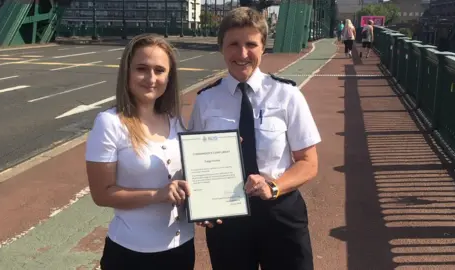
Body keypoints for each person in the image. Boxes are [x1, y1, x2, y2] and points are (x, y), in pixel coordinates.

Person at [189, 7, 321, 270]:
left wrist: (274, 187)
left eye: (251, 44)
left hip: (280, 211)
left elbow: (308, 162)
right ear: (222, 48)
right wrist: (201, 204)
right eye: (233, 45)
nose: (242, 54)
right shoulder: (205, 100)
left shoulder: (286, 95)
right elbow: (195, 163)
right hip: (226, 216)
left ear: (263, 47)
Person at [85, 33, 195, 269]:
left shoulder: (175, 121)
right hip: (131, 253)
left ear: (169, 77)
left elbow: (188, 177)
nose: (151, 78)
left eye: (159, 70)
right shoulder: (110, 123)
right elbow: (101, 194)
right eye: (142, 69)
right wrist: (158, 194)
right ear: (127, 72)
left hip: (182, 247)